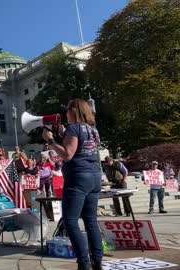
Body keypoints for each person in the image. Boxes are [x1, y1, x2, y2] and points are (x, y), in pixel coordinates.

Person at [42, 98, 103, 270]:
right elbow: (82, 147)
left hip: (78, 177)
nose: (65, 113)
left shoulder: (74, 128)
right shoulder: (93, 129)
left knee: (70, 220)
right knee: (91, 220)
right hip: (94, 177)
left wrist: (51, 141)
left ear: (74, 111)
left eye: (68, 109)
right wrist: (62, 134)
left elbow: (68, 154)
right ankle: (97, 261)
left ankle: (84, 263)